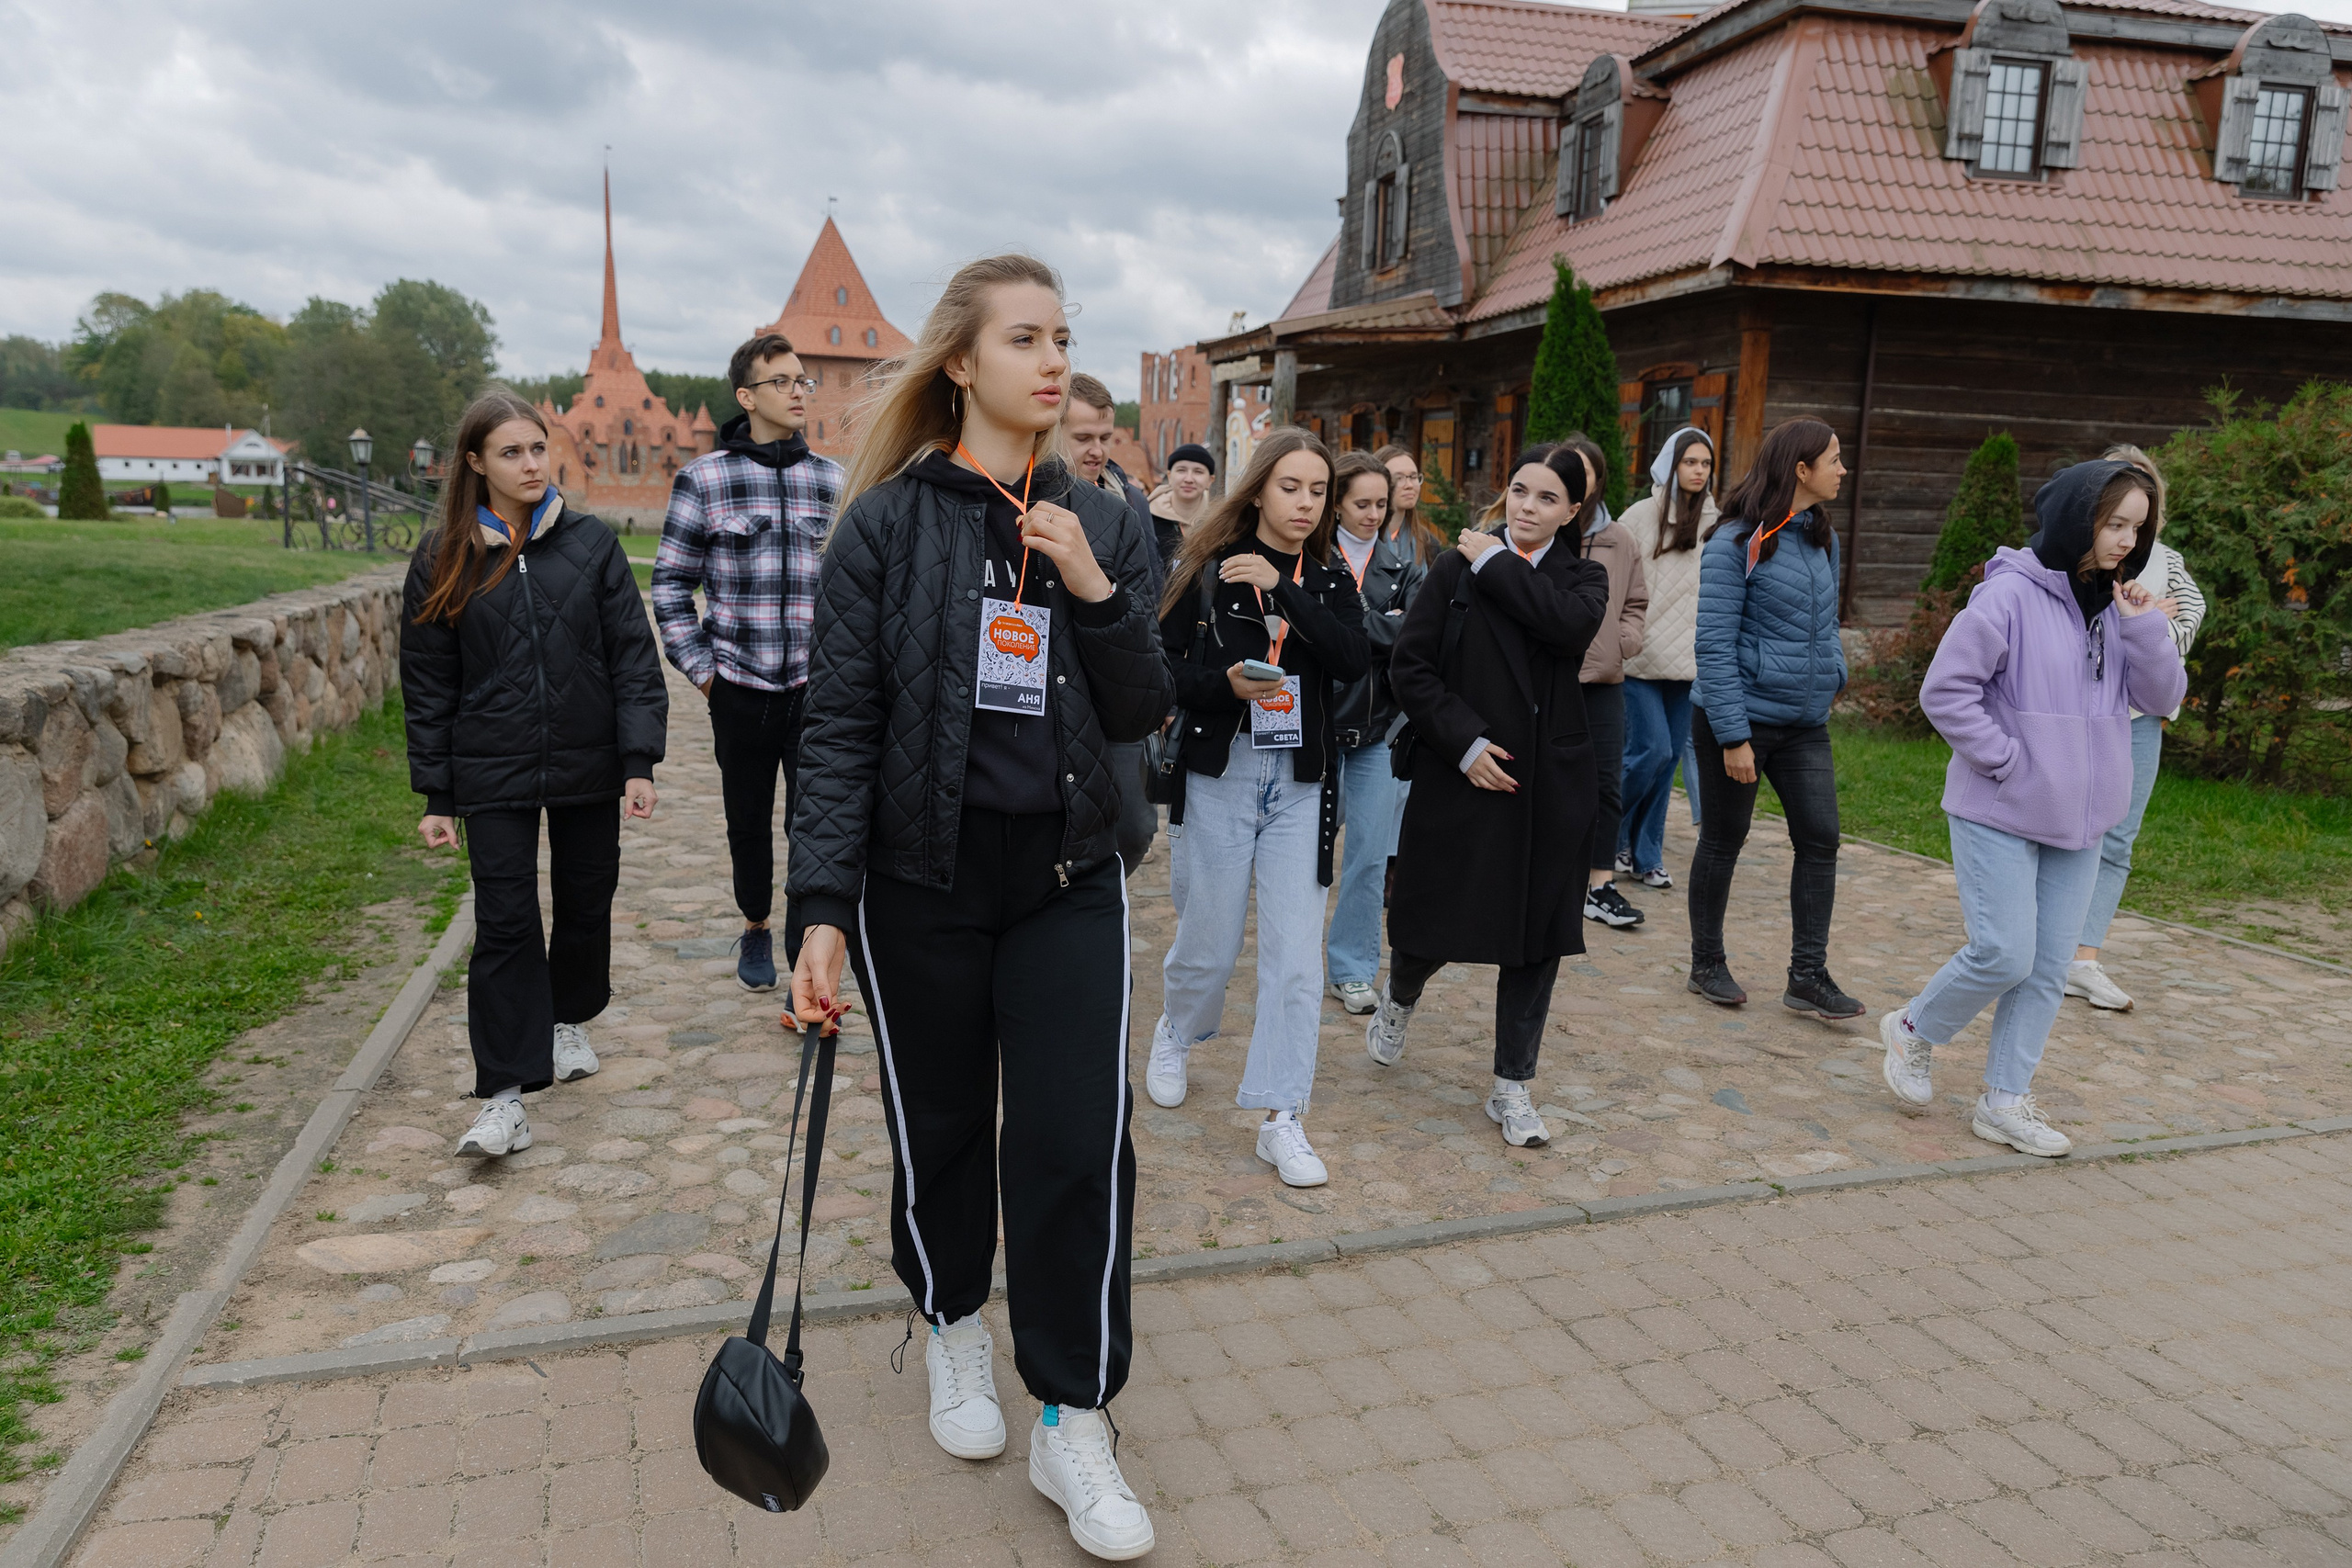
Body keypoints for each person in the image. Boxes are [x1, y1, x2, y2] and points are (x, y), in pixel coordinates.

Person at [783, 254, 1170, 1560]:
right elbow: (836, 722)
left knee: (1074, 1141)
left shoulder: (1099, 513)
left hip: (1066, 878)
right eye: (1025, 338)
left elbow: (1143, 707)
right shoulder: (885, 525)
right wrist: (821, 903)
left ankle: (1074, 1415)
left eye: (1064, 337)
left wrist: (1095, 585)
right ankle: (953, 1324)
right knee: (943, 1123)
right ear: (960, 361)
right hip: (921, 884)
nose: (1054, 361)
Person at [1883, 460, 2183, 1156]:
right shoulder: (2007, 595)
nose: (2125, 541)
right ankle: (1912, 1028)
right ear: (2080, 518)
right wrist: (2009, 760)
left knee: (2048, 967)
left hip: (2079, 821)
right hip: (1999, 806)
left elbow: (2163, 698)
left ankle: (2004, 1101)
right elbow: (1946, 691)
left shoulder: (2117, 608)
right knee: (2004, 952)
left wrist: (2143, 627)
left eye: (2137, 528)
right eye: (2114, 524)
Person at [402, 390, 668, 1159]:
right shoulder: (442, 557)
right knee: (507, 924)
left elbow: (631, 656)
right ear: (475, 463)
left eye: (537, 448)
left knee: (588, 900)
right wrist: (438, 795)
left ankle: (566, 1017)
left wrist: (637, 760)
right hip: (492, 766)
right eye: (510, 452)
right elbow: (428, 685)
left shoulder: (590, 545)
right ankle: (504, 1097)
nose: (529, 464)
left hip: (589, 764)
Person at [1369, 445, 1611, 1146]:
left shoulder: (1583, 578)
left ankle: (1513, 1084)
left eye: (1545, 499)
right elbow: (1410, 667)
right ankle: (1399, 997)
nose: (1528, 508)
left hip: (1547, 782)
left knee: (1536, 939)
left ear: (1570, 512)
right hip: (1464, 770)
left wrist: (1496, 561)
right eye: (1518, 492)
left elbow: (1565, 627)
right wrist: (1465, 743)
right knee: (1431, 922)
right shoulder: (1453, 568)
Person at [1146, 429, 1369, 1188]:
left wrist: (1282, 589)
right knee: (1208, 942)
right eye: (1290, 487)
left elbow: (1350, 658)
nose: (1305, 503)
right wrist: (1224, 688)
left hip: (1302, 782)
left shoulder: (1331, 578)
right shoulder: (1206, 568)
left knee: (1296, 959)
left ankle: (1282, 1116)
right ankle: (1178, 1026)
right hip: (1223, 770)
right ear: (1259, 490)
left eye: (1317, 491)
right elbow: (1161, 667)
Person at [651, 333, 842, 991]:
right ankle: (756, 923)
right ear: (745, 396)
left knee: (814, 823)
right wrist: (705, 674)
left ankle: (803, 956)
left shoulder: (831, 480)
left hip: (816, 690)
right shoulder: (704, 479)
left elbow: (855, 588)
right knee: (749, 820)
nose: (798, 391)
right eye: (782, 381)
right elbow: (671, 585)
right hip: (739, 685)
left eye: (803, 381)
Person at [1687, 416, 1861, 1020]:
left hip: (1804, 724)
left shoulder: (1821, 536)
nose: (1844, 469)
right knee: (1723, 839)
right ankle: (1706, 961)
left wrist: (1832, 674)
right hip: (1740, 724)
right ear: (1801, 469)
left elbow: (1827, 624)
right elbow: (1712, 643)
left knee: (1821, 838)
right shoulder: (1734, 540)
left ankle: (1807, 975)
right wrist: (1735, 737)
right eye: (1835, 460)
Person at [2067, 443, 2206, 1011]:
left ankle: (2084, 959)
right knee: (2066, 824)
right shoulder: (2075, 555)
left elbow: (2188, 618)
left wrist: (2150, 631)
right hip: (2085, 711)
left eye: (2143, 487)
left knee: (2119, 838)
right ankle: (2037, 946)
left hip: (2141, 718)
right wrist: (2143, 621)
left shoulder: (2167, 561)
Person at [1322, 451, 1425, 1014]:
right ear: (1336, 502)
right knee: (1307, 856)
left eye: (1380, 504)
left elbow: (1419, 636)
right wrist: (1380, 629)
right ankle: (1289, 958)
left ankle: (1353, 968)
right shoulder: (1312, 559)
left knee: (1366, 856)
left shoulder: (1405, 568)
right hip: (1313, 727)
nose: (1371, 513)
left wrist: (1354, 626)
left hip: (1379, 731)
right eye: (1360, 503)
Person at [1064, 371, 1162, 877]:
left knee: (1135, 825)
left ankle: (1107, 905)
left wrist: (1157, 685)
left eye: (1105, 437)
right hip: (1061, 687)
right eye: (1083, 438)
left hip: (1118, 685)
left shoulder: (1129, 500)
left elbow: (1151, 596)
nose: (1097, 450)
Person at [1554, 434, 1649, 930]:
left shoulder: (1620, 538)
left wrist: (1622, 641)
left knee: (1606, 783)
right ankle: (1548, 876)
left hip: (1605, 680)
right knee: (1545, 778)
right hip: (1549, 677)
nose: (1578, 478)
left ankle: (1599, 885)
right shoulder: (1543, 529)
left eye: (1586, 470)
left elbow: (1636, 601)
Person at [1616, 427, 1716, 887]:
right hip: (1639, 657)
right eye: (1689, 462)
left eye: (1705, 463)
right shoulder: (1639, 516)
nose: (1698, 471)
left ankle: (1647, 855)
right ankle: (1608, 834)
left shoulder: (1716, 522)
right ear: (1670, 465)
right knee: (1649, 750)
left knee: (1670, 758)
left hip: (1688, 661)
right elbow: (1612, 577)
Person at [1374, 443, 1448, 565]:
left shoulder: (1428, 543)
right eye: (1399, 478)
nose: (1409, 485)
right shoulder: (1365, 538)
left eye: (1413, 477)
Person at [1148, 442, 1214, 571]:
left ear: (1210, 480)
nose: (1189, 479)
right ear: (1169, 476)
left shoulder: (1220, 523)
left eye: (1198, 472)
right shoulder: (1146, 518)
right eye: (1181, 470)